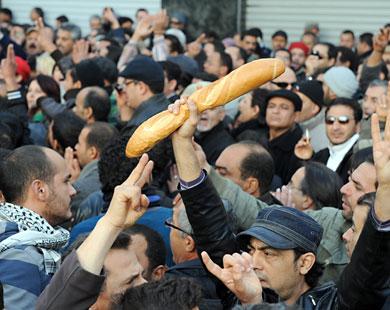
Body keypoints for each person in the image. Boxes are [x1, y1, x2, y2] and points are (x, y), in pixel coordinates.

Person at [169, 97, 389, 309]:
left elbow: (368, 272)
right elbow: (211, 228)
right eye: (251, 249)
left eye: (269, 253)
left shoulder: (331, 304)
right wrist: (182, 144)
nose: (253, 262)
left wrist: (387, 191)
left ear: (304, 263)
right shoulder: (243, 289)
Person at [0, 145, 76, 309]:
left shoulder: (32, 243)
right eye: (66, 181)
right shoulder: (20, 257)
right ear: (40, 189)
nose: (73, 191)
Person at [295, 97, 362, 183]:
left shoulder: (362, 156)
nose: (335, 127)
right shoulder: (320, 156)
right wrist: (305, 160)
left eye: (343, 121)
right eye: (330, 120)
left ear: (358, 126)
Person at [67, 122, 119, 219]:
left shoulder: (78, 190)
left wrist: (71, 183)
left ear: (92, 152)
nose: (76, 147)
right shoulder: (123, 175)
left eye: (79, 143)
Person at [119, 55, 169, 136]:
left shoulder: (139, 127)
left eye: (126, 84)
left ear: (141, 87)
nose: (124, 90)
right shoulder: (168, 107)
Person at [263, 89, 303, 184]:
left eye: (284, 108)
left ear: (296, 115)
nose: (275, 111)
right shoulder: (256, 138)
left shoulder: (299, 150)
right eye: (271, 106)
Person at [293, 80, 329, 152]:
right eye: (293, 100)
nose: (294, 105)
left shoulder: (324, 136)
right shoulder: (295, 126)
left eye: (300, 102)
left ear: (315, 109)